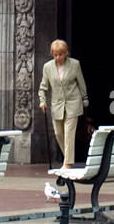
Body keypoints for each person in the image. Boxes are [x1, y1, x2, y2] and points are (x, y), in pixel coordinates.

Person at [38, 39, 88, 169]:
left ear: (66, 53)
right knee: (58, 134)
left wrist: (84, 98)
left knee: (69, 134)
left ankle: (67, 163)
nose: (58, 57)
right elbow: (43, 87)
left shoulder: (75, 64)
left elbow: (81, 83)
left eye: (60, 54)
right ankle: (68, 157)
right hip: (57, 105)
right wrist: (42, 101)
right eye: (55, 54)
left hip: (73, 103)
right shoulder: (48, 67)